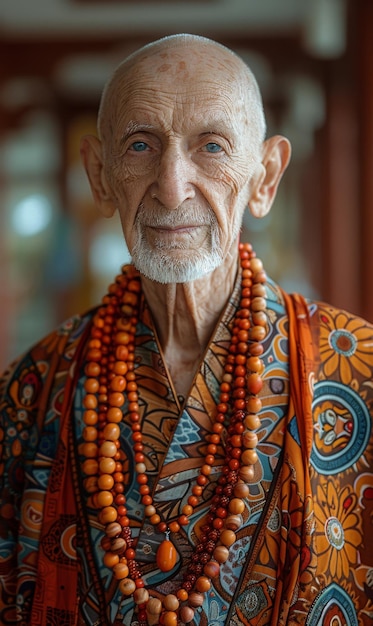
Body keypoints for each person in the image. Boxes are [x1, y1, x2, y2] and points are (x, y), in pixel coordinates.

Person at [0, 33, 372, 626]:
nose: (173, 186)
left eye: (213, 147)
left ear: (266, 177)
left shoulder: (359, 373)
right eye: (141, 145)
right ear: (100, 176)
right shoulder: (32, 389)